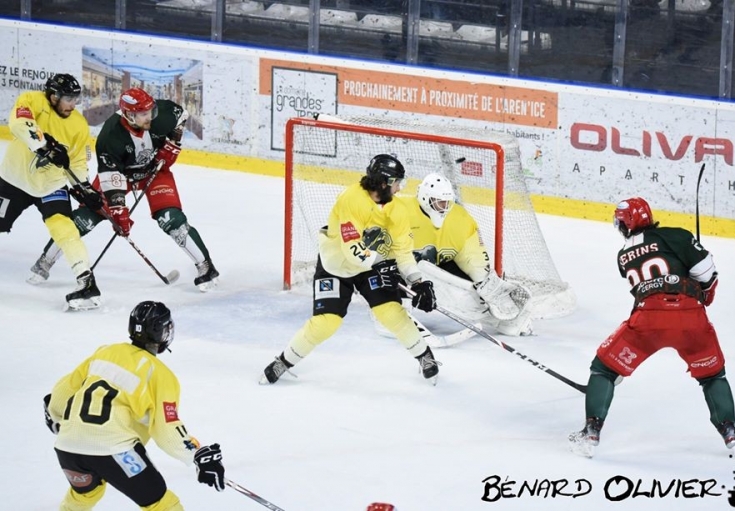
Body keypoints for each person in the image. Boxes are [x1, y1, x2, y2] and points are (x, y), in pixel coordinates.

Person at [568, 197, 735, 459]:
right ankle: (731, 434)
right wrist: (704, 291)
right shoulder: (677, 236)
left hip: (648, 320)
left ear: (625, 225)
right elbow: (707, 275)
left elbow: (648, 286)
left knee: (604, 369)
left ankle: (590, 431)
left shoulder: (623, 256)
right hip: (691, 318)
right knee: (712, 376)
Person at [259, 154, 440, 385]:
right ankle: (283, 362)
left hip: (369, 266)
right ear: (383, 183)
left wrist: (417, 282)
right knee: (326, 323)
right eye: (397, 182)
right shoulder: (352, 199)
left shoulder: (398, 210)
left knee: (391, 312)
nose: (399, 188)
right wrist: (382, 264)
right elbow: (352, 249)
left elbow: (403, 252)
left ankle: (425, 356)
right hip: (335, 266)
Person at [27, 87, 219, 292]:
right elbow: (111, 178)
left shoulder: (161, 114)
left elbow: (181, 114)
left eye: (150, 111)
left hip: (155, 171)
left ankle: (206, 267)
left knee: (172, 219)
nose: (150, 117)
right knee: (86, 217)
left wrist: (174, 141)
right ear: (129, 115)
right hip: (121, 175)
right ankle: (45, 261)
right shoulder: (110, 137)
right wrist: (119, 210)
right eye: (143, 114)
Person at [43, 300, 226, 510]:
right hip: (114, 451)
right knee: (161, 504)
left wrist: (55, 415)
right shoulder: (160, 374)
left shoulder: (105, 352)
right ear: (161, 332)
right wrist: (195, 454)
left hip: (67, 448)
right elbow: (167, 428)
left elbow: (62, 392)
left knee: (85, 495)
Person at [0, 73, 104, 310]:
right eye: (68, 98)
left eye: (76, 99)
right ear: (53, 96)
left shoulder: (78, 124)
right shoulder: (32, 100)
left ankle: (86, 280)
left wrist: (84, 187)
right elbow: (18, 124)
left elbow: (77, 161)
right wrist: (46, 146)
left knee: (65, 228)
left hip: (51, 185)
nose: (73, 104)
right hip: (14, 181)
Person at [394, 173, 536, 339]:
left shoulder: (460, 218)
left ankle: (504, 321)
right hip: (405, 267)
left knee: (471, 291)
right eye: (439, 202)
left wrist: (486, 283)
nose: (445, 207)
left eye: (447, 202)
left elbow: (472, 256)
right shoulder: (401, 212)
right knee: (394, 273)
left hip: (440, 264)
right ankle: (393, 311)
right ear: (425, 198)